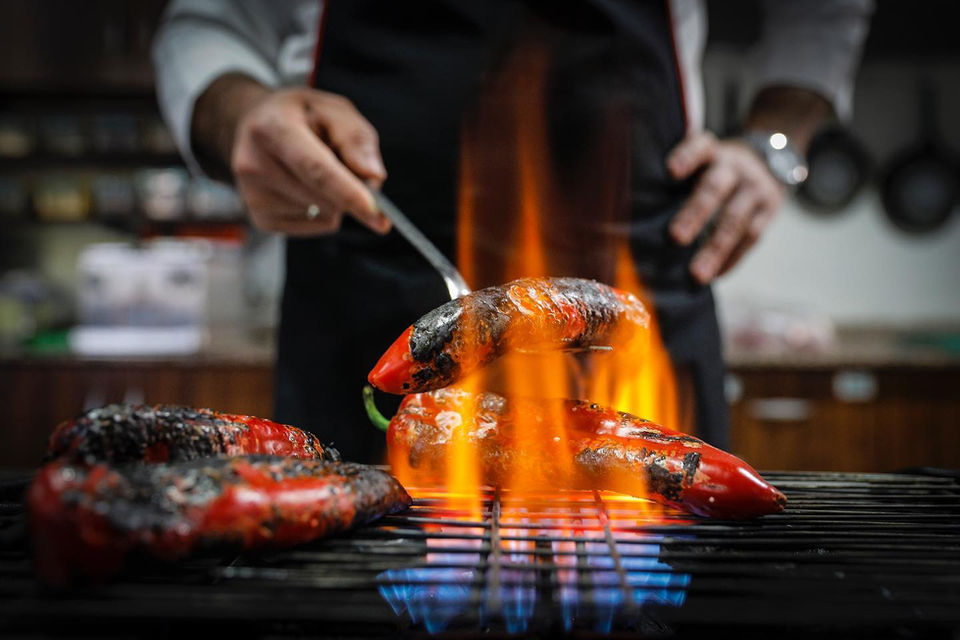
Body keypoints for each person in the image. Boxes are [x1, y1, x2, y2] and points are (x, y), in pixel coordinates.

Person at [153, 0, 872, 462]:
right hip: (367, 276)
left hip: (641, 273)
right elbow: (205, 22)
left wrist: (776, 142)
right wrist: (243, 112)